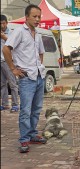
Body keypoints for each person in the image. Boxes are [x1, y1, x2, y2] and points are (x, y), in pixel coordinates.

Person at [2, 4, 47, 153]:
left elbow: (41, 52)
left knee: (36, 109)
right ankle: (24, 140)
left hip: (39, 76)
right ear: (27, 17)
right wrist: (13, 68)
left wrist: (40, 65)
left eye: (39, 16)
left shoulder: (38, 33)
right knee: (25, 111)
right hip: (26, 78)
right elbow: (6, 48)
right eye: (34, 16)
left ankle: (33, 134)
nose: (37, 19)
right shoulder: (20, 32)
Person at [1, 14, 19, 112]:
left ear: (7, 23)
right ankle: (4, 104)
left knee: (13, 84)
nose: (2, 25)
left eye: (3, 23)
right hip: (0, 62)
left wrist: (4, 37)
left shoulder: (12, 33)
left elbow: (14, 44)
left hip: (8, 62)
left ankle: (15, 105)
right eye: (0, 24)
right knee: (2, 84)